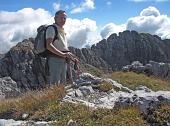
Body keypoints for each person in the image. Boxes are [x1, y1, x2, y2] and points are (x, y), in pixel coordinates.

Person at [45, 10, 76, 85]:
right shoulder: (51, 29)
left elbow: (62, 47)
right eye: (61, 18)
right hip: (55, 60)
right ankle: (54, 96)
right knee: (55, 83)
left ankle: (61, 96)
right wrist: (63, 54)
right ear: (55, 18)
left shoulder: (61, 30)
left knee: (63, 82)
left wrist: (70, 57)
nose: (63, 20)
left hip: (63, 59)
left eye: (64, 18)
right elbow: (48, 45)